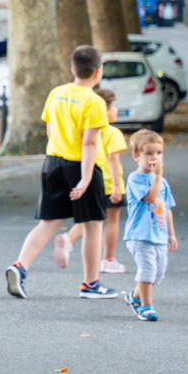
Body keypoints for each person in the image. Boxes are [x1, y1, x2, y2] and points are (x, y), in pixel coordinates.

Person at [4, 46, 119, 301]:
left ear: (72, 69)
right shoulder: (94, 102)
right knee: (92, 225)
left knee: (49, 222)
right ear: (98, 73)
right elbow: (90, 143)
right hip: (80, 165)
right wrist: (87, 178)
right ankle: (90, 284)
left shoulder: (56, 93)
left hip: (53, 161)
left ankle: (20, 266)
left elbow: (49, 129)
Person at [56, 89, 127, 274]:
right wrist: (118, 186)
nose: (116, 110)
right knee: (112, 221)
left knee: (90, 220)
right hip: (110, 183)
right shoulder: (112, 132)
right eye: (115, 106)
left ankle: (68, 240)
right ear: (106, 110)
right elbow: (113, 160)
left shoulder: (88, 129)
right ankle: (108, 259)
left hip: (92, 179)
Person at [122, 129, 177, 322]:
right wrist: (158, 176)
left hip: (159, 235)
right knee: (147, 271)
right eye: (149, 153)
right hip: (140, 235)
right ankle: (146, 306)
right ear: (137, 156)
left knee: (158, 274)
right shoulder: (135, 179)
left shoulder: (163, 182)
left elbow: (167, 208)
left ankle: (134, 296)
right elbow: (150, 198)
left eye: (159, 153)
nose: (154, 158)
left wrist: (171, 234)